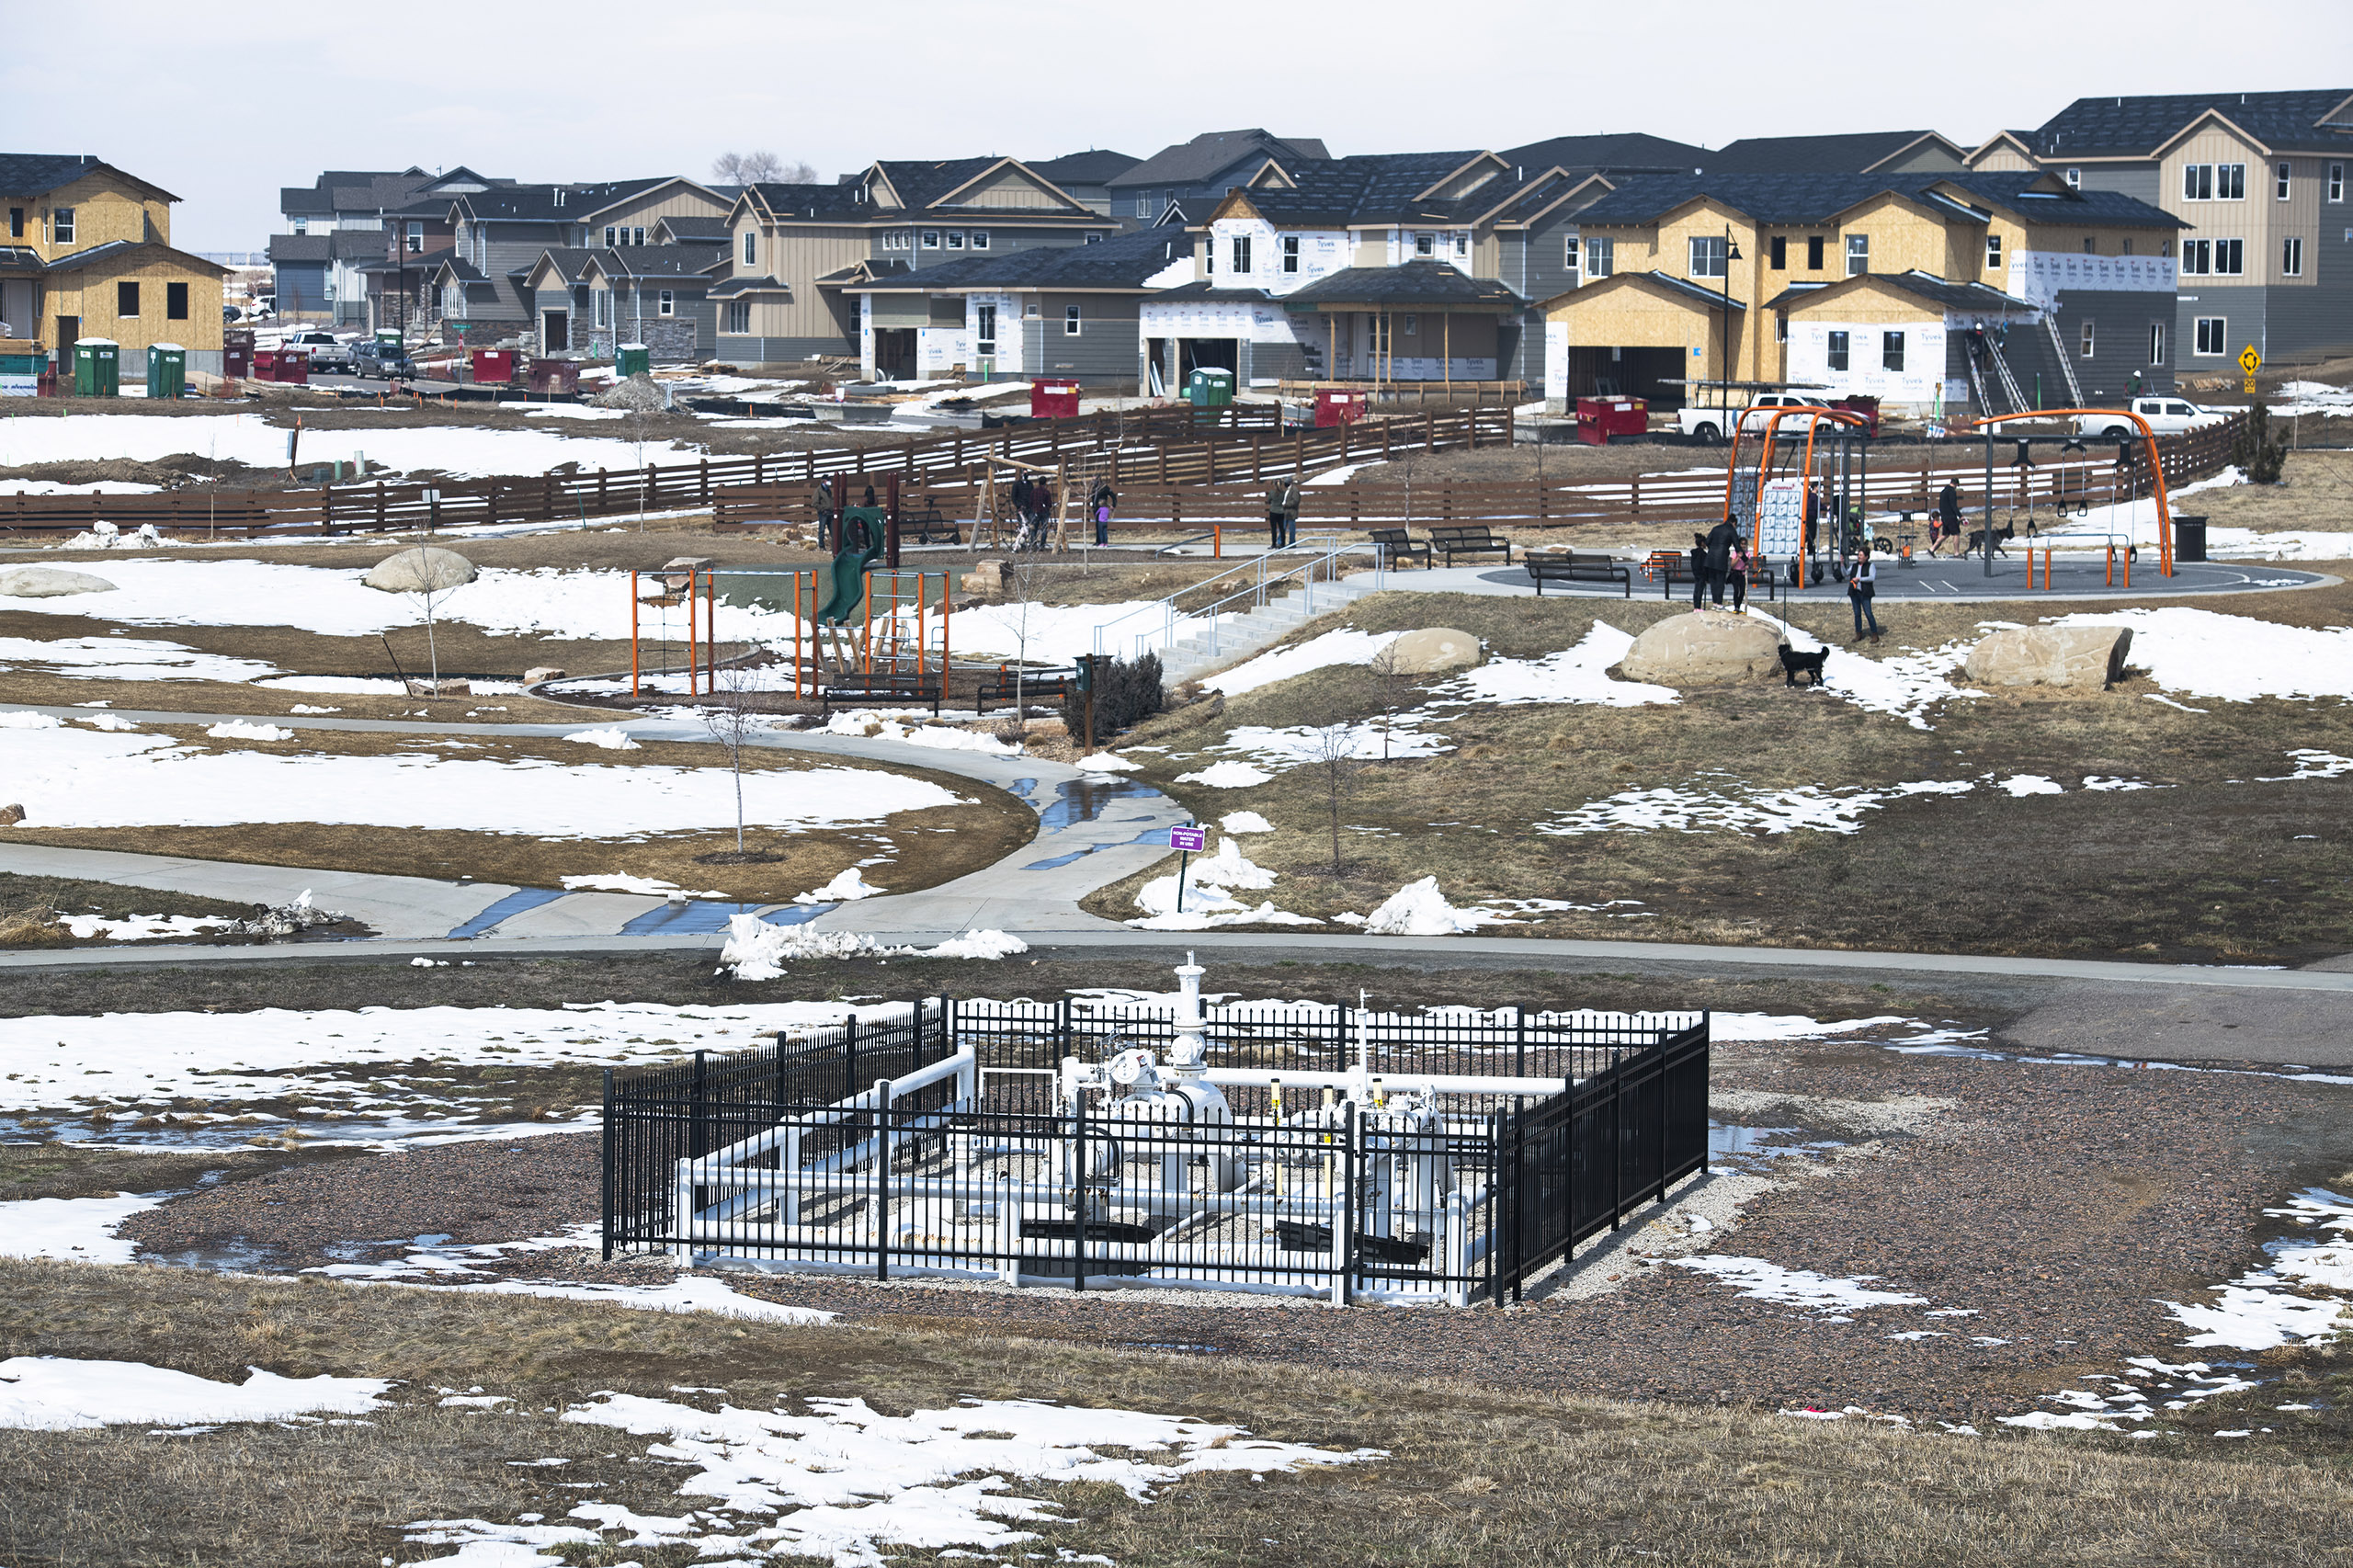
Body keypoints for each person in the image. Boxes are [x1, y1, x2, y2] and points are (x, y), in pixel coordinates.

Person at [1847, 540, 1881, 642]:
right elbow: (1845, 573)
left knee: (1868, 613)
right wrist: (1841, 565)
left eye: (1861, 555)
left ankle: (1874, 634)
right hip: (1854, 593)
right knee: (1857, 613)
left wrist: (1860, 579)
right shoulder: (1854, 565)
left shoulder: (1871, 566)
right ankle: (1858, 633)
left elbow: (1872, 578)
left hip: (1865, 593)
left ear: (1866, 557)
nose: (1859, 557)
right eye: (1859, 555)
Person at [1935, 480, 1962, 556]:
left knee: (1945, 534)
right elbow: (1953, 505)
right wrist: (1960, 516)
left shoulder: (1943, 492)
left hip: (1944, 516)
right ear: (1956, 484)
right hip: (1951, 516)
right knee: (1956, 534)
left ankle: (1932, 549)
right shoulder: (1952, 492)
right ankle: (1957, 553)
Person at [1090, 478, 1117, 547]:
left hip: (1102, 508)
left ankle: (1103, 542)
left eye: (1095, 480)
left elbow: (1113, 496)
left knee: (1101, 527)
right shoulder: (1094, 488)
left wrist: (1114, 505)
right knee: (1097, 525)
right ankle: (1098, 541)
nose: (1093, 482)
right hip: (1096, 508)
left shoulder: (1104, 488)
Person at [1688, 531, 1711, 610]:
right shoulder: (1703, 554)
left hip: (1696, 574)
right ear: (1702, 543)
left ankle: (1696, 607)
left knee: (1696, 590)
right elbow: (1705, 565)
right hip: (1702, 575)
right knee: (1700, 591)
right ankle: (1698, 607)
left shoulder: (1694, 553)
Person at [813, 475, 835, 552]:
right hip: (823, 513)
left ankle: (834, 547)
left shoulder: (828, 490)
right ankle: (821, 546)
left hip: (830, 513)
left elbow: (831, 501)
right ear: (824, 481)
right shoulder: (818, 490)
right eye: (828, 480)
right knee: (822, 529)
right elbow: (815, 503)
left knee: (833, 530)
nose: (829, 482)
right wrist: (822, 509)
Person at [1265, 477, 1288, 550]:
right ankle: (1283, 543)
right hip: (1281, 511)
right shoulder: (1283, 493)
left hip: (1273, 511)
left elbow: (1268, 500)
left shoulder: (1272, 492)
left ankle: (1273, 544)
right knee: (1282, 528)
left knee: (1274, 529)